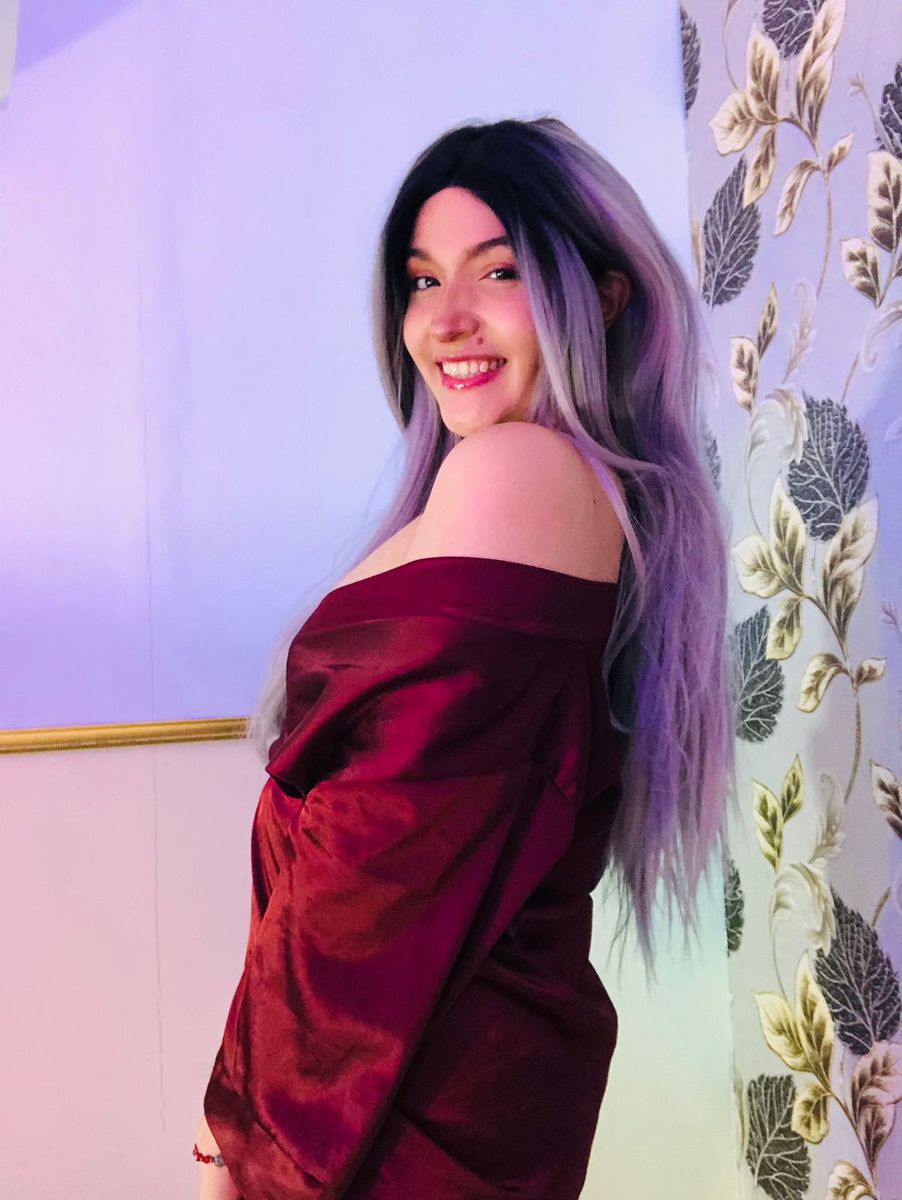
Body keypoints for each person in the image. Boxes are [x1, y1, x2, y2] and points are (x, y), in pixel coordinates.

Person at [193, 116, 736, 1200]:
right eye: (420, 279)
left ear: (603, 296)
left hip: (387, 1111)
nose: (444, 320)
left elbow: (375, 868)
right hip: (420, 1087)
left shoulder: (517, 474)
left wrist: (243, 1146)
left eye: (497, 271)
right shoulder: (546, 490)